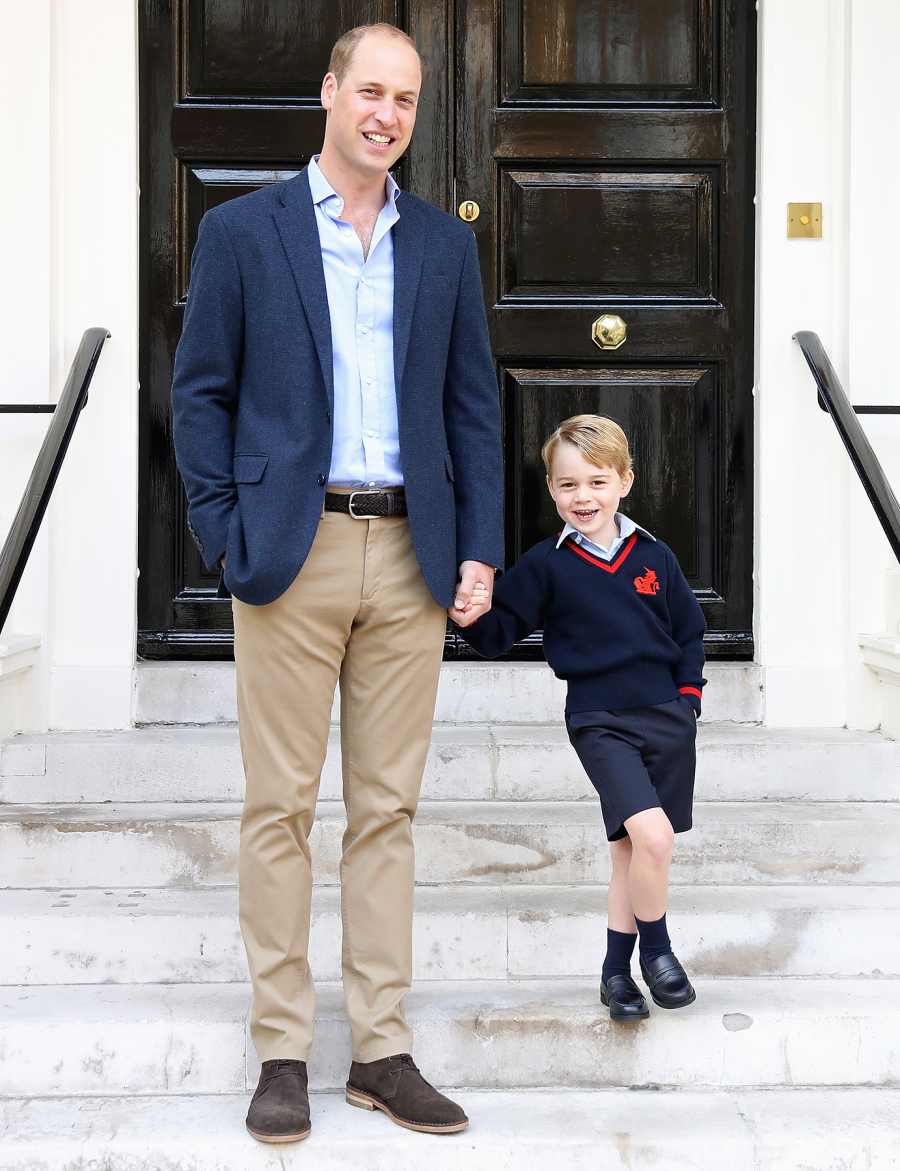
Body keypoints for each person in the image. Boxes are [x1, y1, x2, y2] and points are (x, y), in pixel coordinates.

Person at [171, 22, 503, 1143]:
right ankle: (278, 1049)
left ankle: (380, 1048)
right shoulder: (242, 232)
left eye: (406, 100)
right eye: (371, 90)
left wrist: (480, 546)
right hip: (291, 549)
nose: (388, 115)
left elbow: (472, 406)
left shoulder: (444, 247)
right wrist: (224, 534)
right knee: (279, 808)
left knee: (386, 812)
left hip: (411, 554)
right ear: (329, 92)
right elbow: (200, 391)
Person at [451, 414, 705, 1024]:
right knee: (655, 839)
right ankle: (659, 954)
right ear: (551, 490)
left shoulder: (654, 555)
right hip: (600, 720)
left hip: (667, 719)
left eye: (596, 482)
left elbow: (689, 632)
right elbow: (497, 633)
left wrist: (689, 701)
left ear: (625, 481)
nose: (583, 497)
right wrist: (467, 615)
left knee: (629, 852)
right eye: (568, 486)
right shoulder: (546, 565)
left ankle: (614, 973)